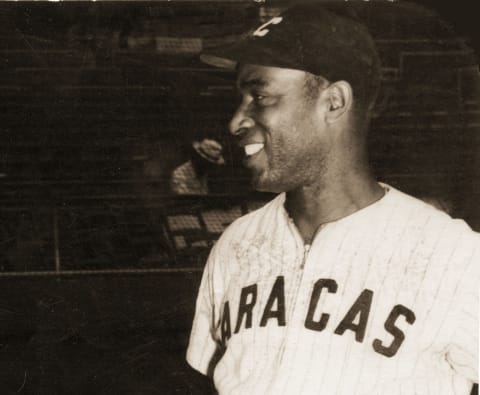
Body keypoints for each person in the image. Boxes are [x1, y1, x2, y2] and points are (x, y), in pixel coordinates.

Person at [186, 3, 479, 394]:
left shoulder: (452, 255)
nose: (236, 120)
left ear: (334, 102)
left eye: (260, 96)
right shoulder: (236, 244)